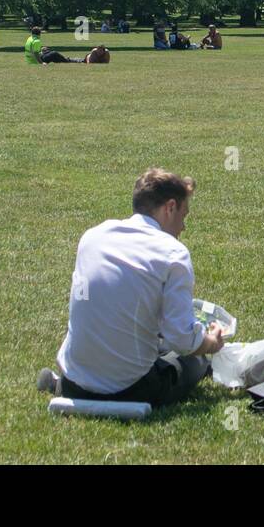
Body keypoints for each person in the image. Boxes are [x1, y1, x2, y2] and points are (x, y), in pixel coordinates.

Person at [37, 170, 225, 408]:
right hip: (132, 389)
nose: (183, 227)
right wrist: (210, 343)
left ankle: (57, 383)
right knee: (192, 361)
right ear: (170, 207)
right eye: (183, 215)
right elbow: (181, 338)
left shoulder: (92, 237)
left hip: (75, 380)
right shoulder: (173, 253)